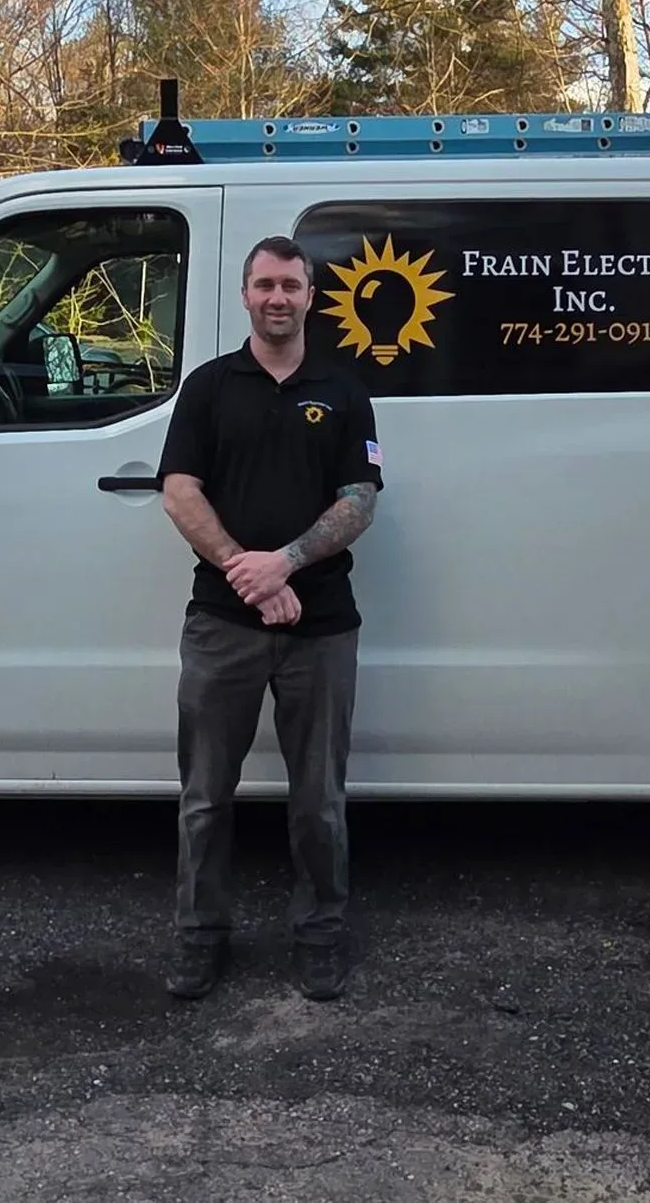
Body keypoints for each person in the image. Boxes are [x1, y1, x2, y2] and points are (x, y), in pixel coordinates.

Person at [155, 234, 383, 1001]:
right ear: (245, 295)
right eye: (264, 285)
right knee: (205, 796)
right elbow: (180, 492)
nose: (277, 297)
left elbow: (360, 502)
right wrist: (247, 576)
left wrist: (283, 564)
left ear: (310, 295)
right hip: (221, 624)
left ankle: (321, 934)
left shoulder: (345, 391)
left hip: (322, 628)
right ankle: (199, 937)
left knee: (318, 800)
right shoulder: (209, 387)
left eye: (291, 284)